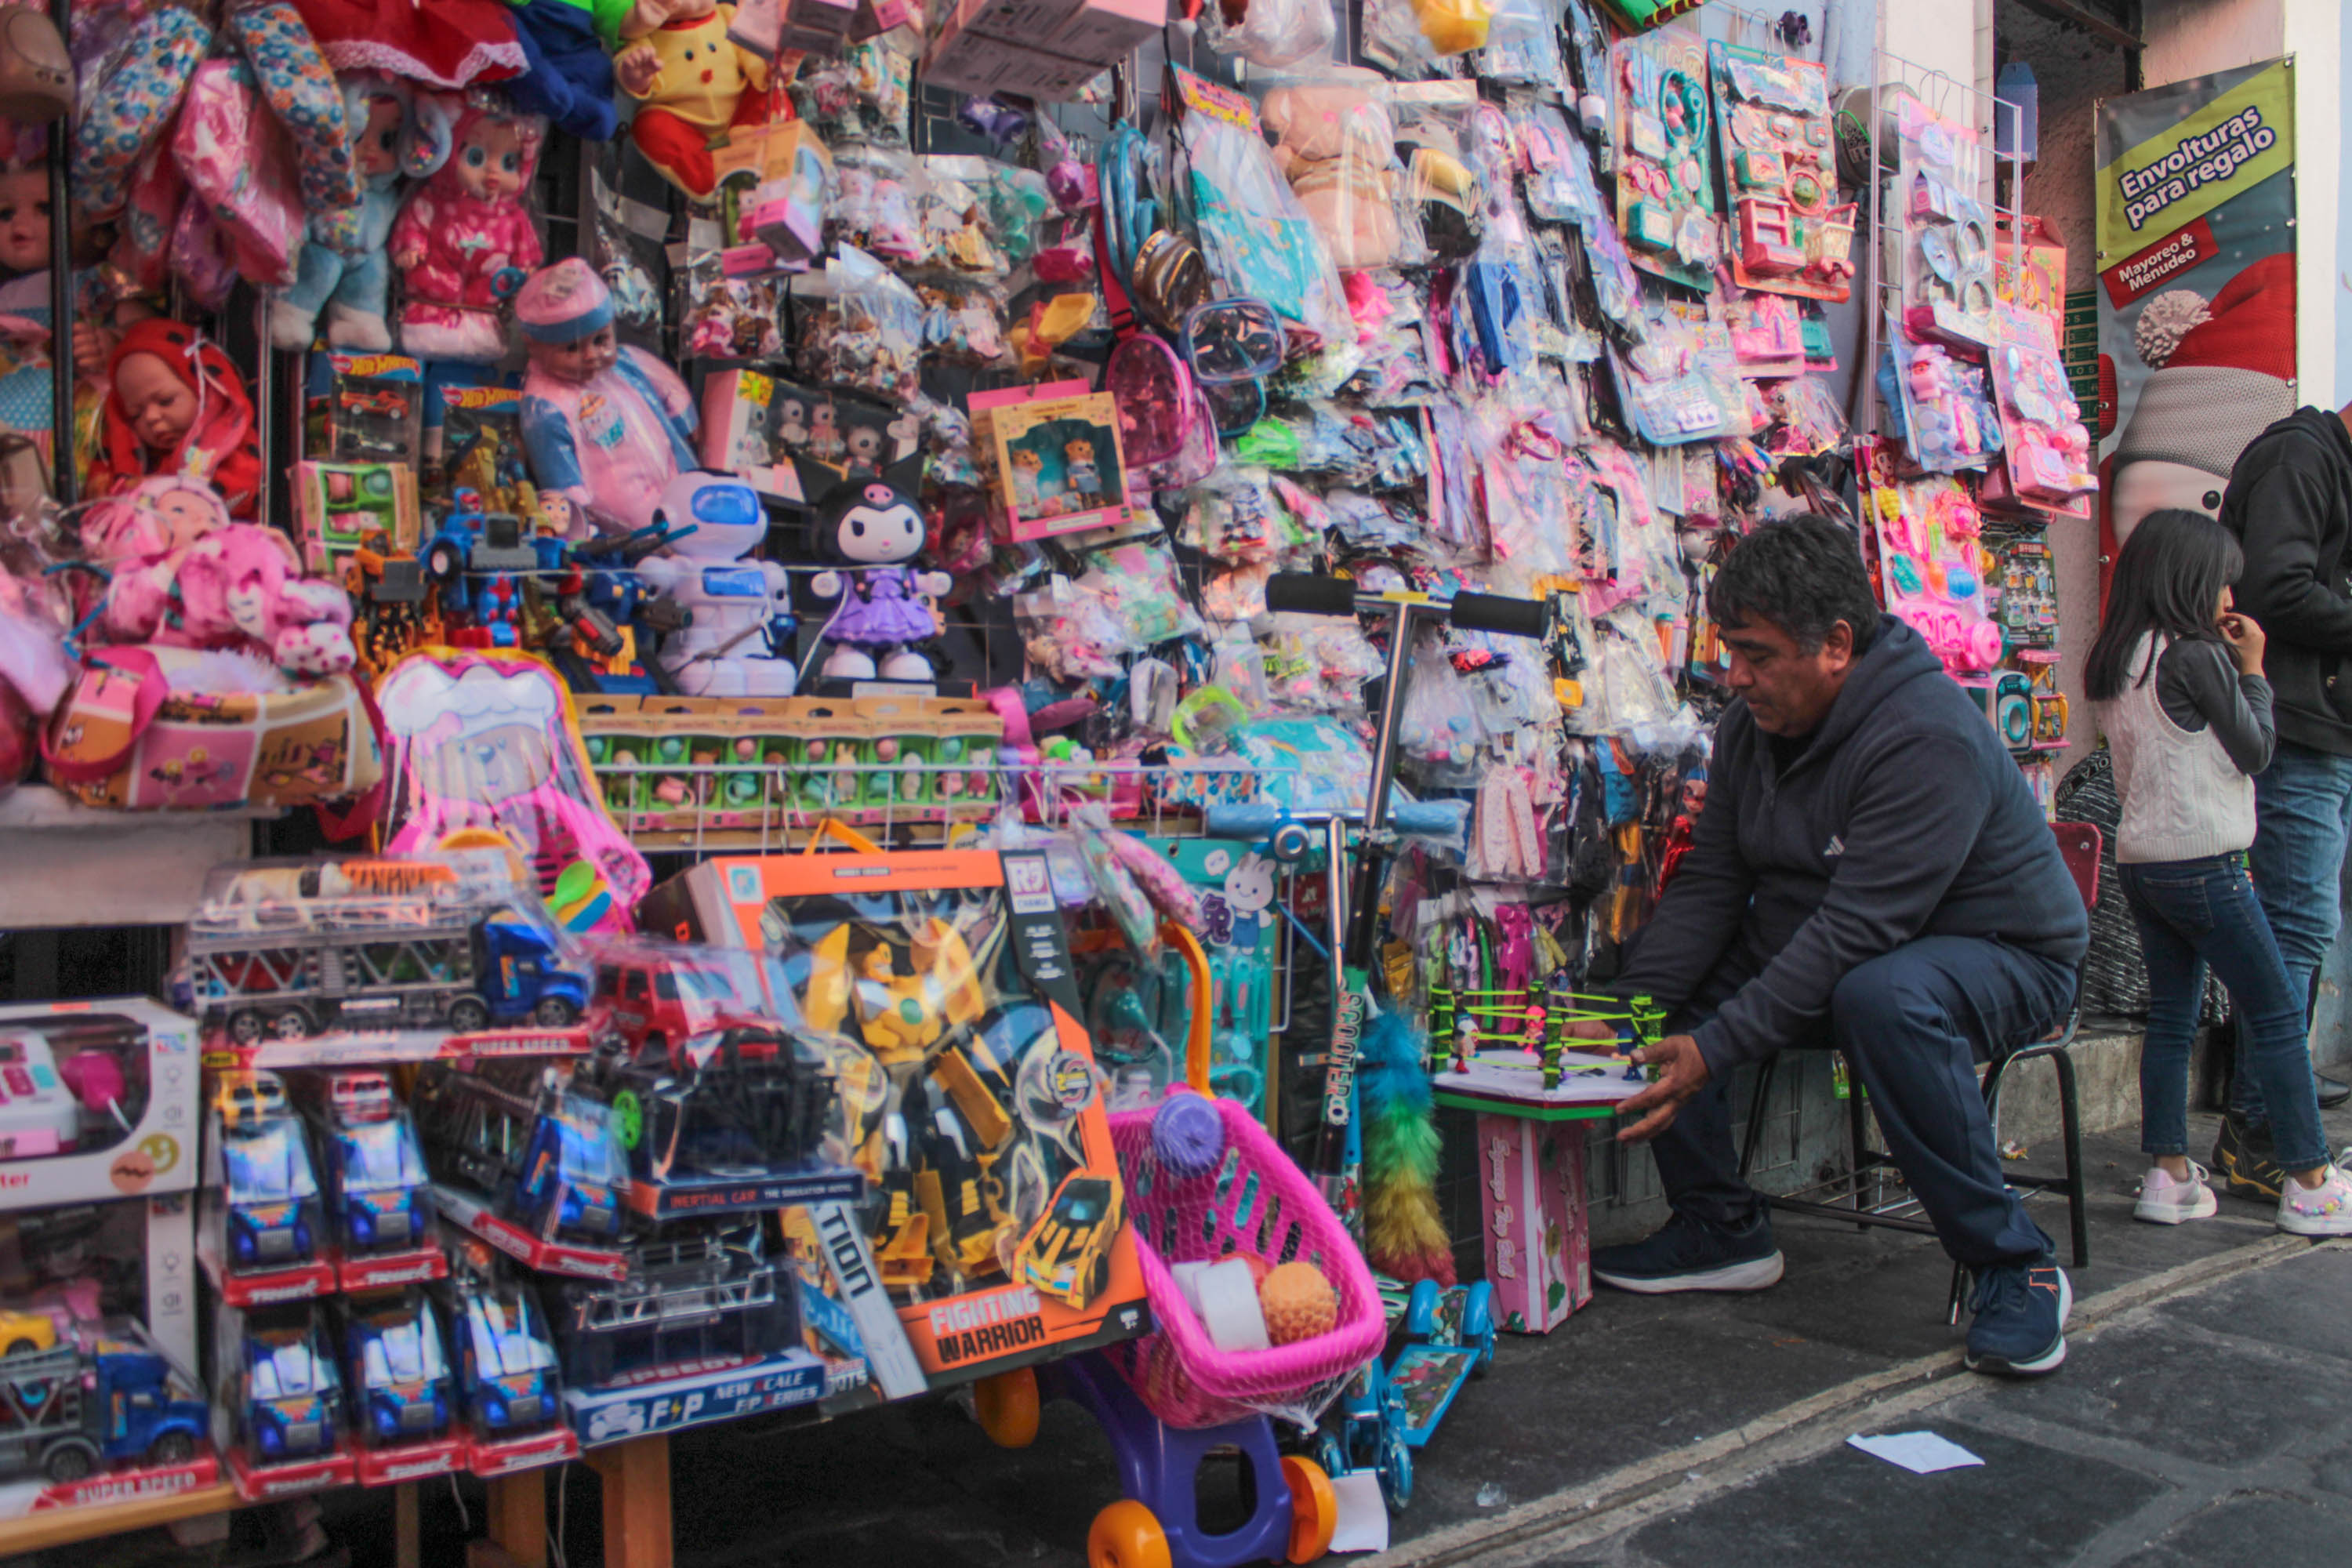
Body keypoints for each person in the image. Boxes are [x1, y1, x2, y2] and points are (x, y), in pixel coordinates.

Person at [1581, 517, 2089, 1377]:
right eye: (1728, 649)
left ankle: (2015, 1261)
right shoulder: (1753, 727)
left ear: (1838, 646)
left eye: (1757, 653)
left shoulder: (1924, 735)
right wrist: (1617, 1012)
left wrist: (1711, 1049)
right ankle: (1720, 1227)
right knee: (1665, 995)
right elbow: (1709, 883)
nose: (1735, 675)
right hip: (1843, 945)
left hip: (2000, 954)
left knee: (1883, 995)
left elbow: (1858, 931)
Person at [2086, 509, 2352, 1233]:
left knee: (2173, 1020)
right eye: (2222, 585)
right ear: (2189, 579)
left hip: (2144, 864)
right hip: (2206, 864)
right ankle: (2311, 1181)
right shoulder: (2196, 656)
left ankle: (2168, 1177)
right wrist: (2256, 668)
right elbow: (2258, 750)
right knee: (2273, 1012)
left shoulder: (2118, 655)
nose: (2229, 602)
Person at [2215, 400, 2352, 1198]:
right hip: (2297, 728)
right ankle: (2263, 1131)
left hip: (2322, 726)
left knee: (2302, 927)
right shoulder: (2302, 458)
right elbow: (2274, 586)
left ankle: (2258, 1124)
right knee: (2297, 928)